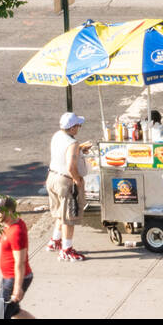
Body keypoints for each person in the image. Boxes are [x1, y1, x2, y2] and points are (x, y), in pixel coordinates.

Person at [46, 111, 89, 261]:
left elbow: (62, 154)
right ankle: (66, 249)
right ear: (72, 128)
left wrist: (80, 151)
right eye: (78, 125)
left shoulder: (57, 135)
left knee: (60, 212)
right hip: (65, 182)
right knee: (69, 218)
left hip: (52, 177)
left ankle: (55, 241)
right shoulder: (73, 143)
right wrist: (77, 180)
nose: (79, 127)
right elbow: (71, 166)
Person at [0, 196, 34, 320]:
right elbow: (12, 244)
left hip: (14, 279)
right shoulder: (12, 224)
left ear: (9, 211)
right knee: (15, 312)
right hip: (9, 278)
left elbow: (20, 262)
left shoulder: (17, 232)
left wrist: (17, 288)